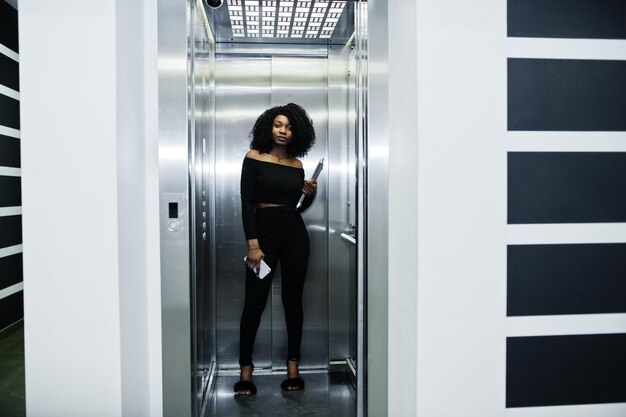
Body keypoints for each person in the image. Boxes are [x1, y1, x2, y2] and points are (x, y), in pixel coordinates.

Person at [234, 103, 318, 396]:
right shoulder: (253, 158)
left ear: (298, 132)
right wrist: (253, 243)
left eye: (290, 127)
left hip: (295, 233)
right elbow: (247, 203)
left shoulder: (297, 166)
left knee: (293, 301)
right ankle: (246, 368)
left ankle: (292, 365)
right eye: (278, 125)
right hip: (263, 236)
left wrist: (310, 195)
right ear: (268, 127)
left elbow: (298, 208)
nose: (284, 131)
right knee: (254, 303)